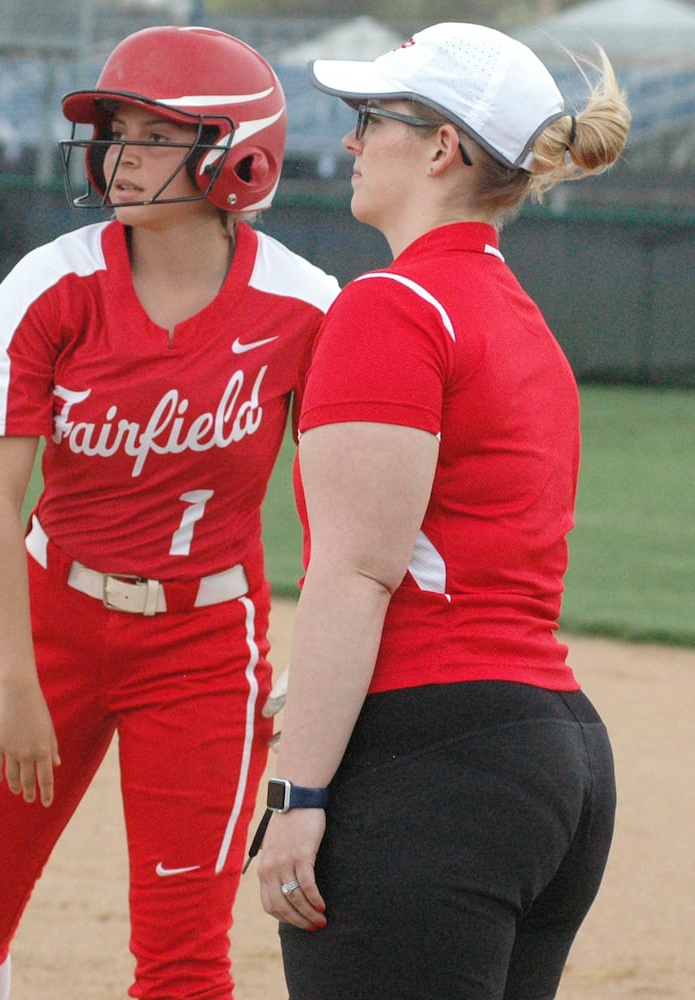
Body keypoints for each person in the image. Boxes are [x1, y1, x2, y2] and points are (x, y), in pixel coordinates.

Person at [0, 25, 339, 1000]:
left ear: (237, 159)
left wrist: (312, 661)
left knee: (184, 960)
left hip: (202, 643)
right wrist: (17, 685)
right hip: (52, 623)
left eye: (155, 132)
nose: (119, 152)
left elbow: (337, 513)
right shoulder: (49, 287)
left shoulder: (307, 307)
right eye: (116, 128)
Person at [253, 21, 631, 999]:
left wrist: (296, 794)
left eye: (369, 118)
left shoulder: (390, 306)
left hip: (430, 763)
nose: (348, 142)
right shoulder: (520, 320)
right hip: (551, 759)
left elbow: (357, 571)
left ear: (440, 147)